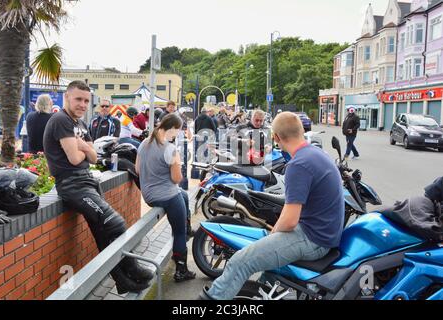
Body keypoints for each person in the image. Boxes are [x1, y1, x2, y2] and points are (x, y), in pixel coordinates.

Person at [199, 112, 345, 300]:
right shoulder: (316, 154)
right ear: (301, 131)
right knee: (267, 272)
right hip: (324, 234)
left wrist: (272, 235)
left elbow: (290, 220)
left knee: (240, 262)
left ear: (275, 137)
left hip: (312, 239)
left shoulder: (299, 164)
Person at [42, 81, 154, 294]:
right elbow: (75, 159)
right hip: (72, 185)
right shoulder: (60, 121)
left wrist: (82, 146)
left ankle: (123, 281)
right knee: (116, 224)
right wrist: (85, 149)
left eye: (86, 100)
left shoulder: (81, 125)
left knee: (102, 231)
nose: (83, 104)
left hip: (87, 180)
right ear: (67, 97)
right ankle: (132, 268)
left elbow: (93, 157)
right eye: (78, 99)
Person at [136, 114, 196, 283]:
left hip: (149, 196)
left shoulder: (144, 143)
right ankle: (181, 270)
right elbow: (177, 179)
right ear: (173, 129)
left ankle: (187, 227)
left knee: (184, 195)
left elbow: (138, 169)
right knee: (178, 232)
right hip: (167, 196)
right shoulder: (169, 149)